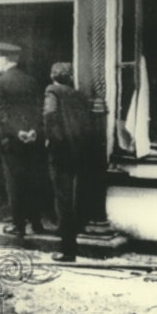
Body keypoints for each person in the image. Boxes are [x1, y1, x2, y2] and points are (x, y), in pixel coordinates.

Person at [0, 42, 46, 238]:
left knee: (14, 183)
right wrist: (33, 131)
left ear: (4, 59)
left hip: (12, 141)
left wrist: (17, 131)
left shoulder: (0, 82)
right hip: (32, 139)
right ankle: (37, 223)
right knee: (33, 180)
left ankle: (18, 226)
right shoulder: (31, 81)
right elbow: (39, 110)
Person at [43, 62, 94, 263]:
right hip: (78, 150)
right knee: (73, 198)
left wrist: (52, 140)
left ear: (52, 75)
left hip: (60, 152)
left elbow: (49, 116)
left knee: (62, 200)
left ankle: (67, 251)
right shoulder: (78, 95)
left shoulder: (52, 91)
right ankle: (71, 243)